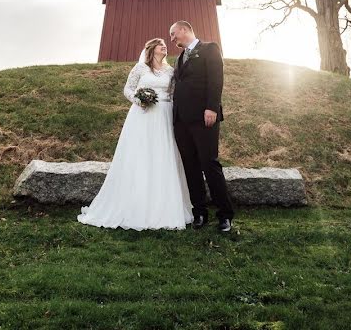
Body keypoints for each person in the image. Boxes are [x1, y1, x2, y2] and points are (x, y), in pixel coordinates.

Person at [77, 38, 194, 230]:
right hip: (143, 115)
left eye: (165, 44)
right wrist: (139, 100)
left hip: (164, 115)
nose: (165, 46)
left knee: (163, 155)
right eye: (160, 44)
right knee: (141, 155)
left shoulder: (170, 71)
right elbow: (128, 89)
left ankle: (165, 206)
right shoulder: (140, 68)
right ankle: (135, 204)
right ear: (151, 49)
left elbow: (173, 93)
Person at [169, 20, 235, 232]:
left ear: (184, 29)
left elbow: (216, 79)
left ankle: (225, 214)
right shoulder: (179, 58)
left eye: (173, 33)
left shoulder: (209, 48)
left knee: (209, 164)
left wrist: (212, 108)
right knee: (191, 167)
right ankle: (199, 212)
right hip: (181, 121)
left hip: (203, 117)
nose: (172, 39)